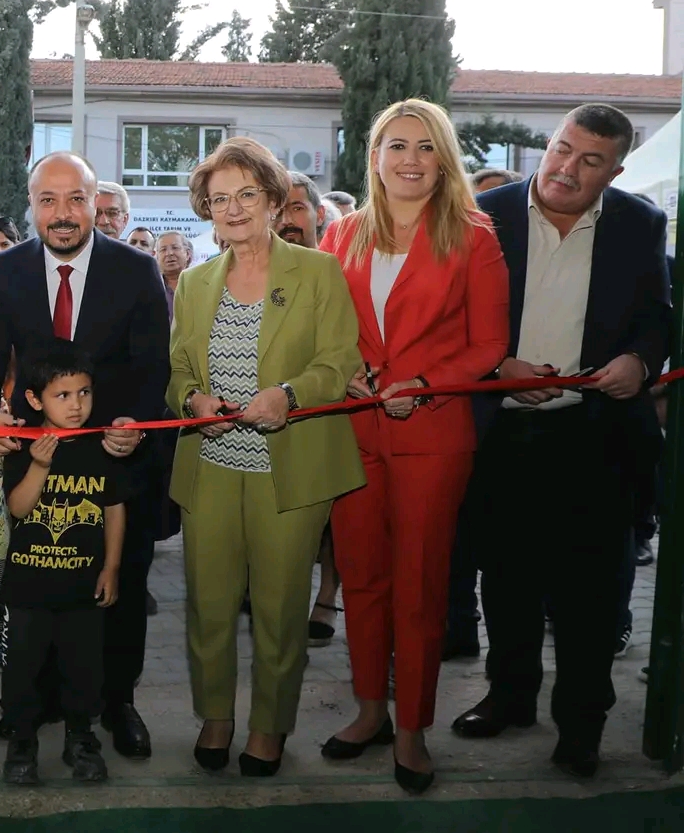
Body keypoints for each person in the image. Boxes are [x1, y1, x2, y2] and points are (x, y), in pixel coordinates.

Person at [455, 104, 669, 779]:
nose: (566, 169)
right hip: (503, 432)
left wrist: (640, 362)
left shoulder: (640, 224)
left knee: (592, 593)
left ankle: (582, 724)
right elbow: (450, 320)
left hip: (596, 437)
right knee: (507, 577)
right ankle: (510, 695)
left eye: (590, 160)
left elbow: (657, 321)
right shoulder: (483, 215)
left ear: (617, 170)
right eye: (560, 149)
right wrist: (495, 370)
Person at [319, 99, 509, 795]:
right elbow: (326, 328)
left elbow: (490, 344)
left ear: (444, 158)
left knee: (420, 586)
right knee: (361, 577)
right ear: (374, 157)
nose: (410, 159)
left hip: (434, 433)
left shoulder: (475, 235)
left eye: (425, 147)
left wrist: (426, 381)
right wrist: (343, 368)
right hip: (353, 428)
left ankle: (411, 730)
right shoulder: (341, 235)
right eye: (396, 145)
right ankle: (369, 710)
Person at [168, 137, 363, 778]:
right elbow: (177, 372)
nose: (233, 208)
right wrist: (192, 396)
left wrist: (289, 393)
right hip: (213, 467)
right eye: (219, 198)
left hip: (292, 471)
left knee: (281, 610)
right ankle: (216, 716)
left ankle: (269, 727)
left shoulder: (318, 272)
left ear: (275, 199)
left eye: (246, 194)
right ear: (206, 210)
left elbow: (339, 365)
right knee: (209, 605)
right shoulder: (194, 283)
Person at [0, 151, 170, 761]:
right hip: (40, 455)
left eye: (75, 199)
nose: (62, 214)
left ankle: (117, 701)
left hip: (116, 450)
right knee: (40, 583)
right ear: (32, 206)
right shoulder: (7, 269)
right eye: (48, 201)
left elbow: (151, 364)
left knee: (121, 579)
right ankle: (42, 699)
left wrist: (132, 423)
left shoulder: (137, 269)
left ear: (94, 203)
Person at [0, 343, 125, 785]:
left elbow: (114, 508)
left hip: (81, 586)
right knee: (22, 669)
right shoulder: (22, 444)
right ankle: (22, 739)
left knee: (83, 667)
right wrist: (37, 465)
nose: (77, 406)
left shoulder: (102, 446)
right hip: (28, 588)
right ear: (34, 400)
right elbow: (17, 509)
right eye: (63, 396)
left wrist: (111, 567)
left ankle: (81, 736)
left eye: (85, 393)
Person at [270, 172, 343, 645]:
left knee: (336, 520)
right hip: (275, 423)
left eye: (297, 208)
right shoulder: (254, 274)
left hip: (334, 415)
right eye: (279, 210)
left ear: (318, 214)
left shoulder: (341, 268)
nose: (287, 220)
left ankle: (327, 598)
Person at [276, 172, 327, 250]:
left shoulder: (333, 262)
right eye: (277, 211)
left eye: (297, 209)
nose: (286, 221)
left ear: (320, 214)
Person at [156, 232, 190, 322]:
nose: (169, 253)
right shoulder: (150, 287)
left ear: (187, 254)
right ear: (157, 257)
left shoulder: (201, 284)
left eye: (175, 248)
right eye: (163, 250)